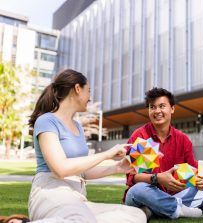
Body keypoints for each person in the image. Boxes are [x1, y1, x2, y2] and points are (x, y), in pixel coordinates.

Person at [27, 69, 146, 223]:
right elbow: (61, 169)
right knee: (82, 218)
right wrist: (107, 154)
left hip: (77, 198)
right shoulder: (46, 121)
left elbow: (82, 172)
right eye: (88, 91)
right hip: (52, 193)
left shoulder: (77, 126)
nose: (90, 97)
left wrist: (116, 167)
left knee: (136, 215)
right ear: (77, 89)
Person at [123, 87, 203, 220]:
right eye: (152, 107)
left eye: (162, 106)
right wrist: (157, 178)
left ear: (172, 108)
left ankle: (155, 209)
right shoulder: (141, 136)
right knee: (138, 190)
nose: (157, 111)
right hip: (143, 195)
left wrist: (198, 180)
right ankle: (186, 211)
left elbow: (191, 171)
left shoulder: (182, 139)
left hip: (174, 195)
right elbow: (134, 178)